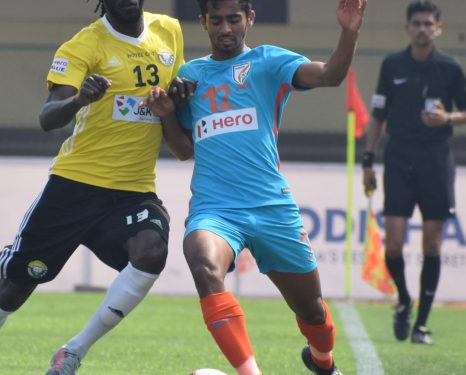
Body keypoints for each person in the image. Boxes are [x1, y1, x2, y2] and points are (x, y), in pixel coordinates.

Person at [0, 1, 184, 374]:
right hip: (74, 187)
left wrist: (179, 96)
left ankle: (72, 352)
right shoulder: (84, 45)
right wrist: (80, 99)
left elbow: (172, 101)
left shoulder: (169, 31)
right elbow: (47, 117)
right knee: (13, 289)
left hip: (133, 189)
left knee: (151, 253)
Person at [143, 0, 366, 373]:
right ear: (203, 22)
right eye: (217, 21)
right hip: (215, 209)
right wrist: (167, 115)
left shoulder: (268, 62)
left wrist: (349, 31)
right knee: (202, 263)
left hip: (270, 206)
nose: (226, 28)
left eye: (234, 19)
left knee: (312, 311)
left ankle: (322, 361)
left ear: (250, 18)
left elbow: (330, 75)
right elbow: (184, 150)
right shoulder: (189, 75)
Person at [361, 0, 466, 345]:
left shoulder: (449, 67)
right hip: (398, 157)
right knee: (393, 244)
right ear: (408, 28)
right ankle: (404, 300)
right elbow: (378, 114)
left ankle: (422, 325)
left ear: (438, 28)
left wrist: (448, 118)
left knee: (432, 243)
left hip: (436, 160)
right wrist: (368, 160)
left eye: (429, 24)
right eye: (417, 23)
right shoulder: (392, 64)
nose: (423, 29)